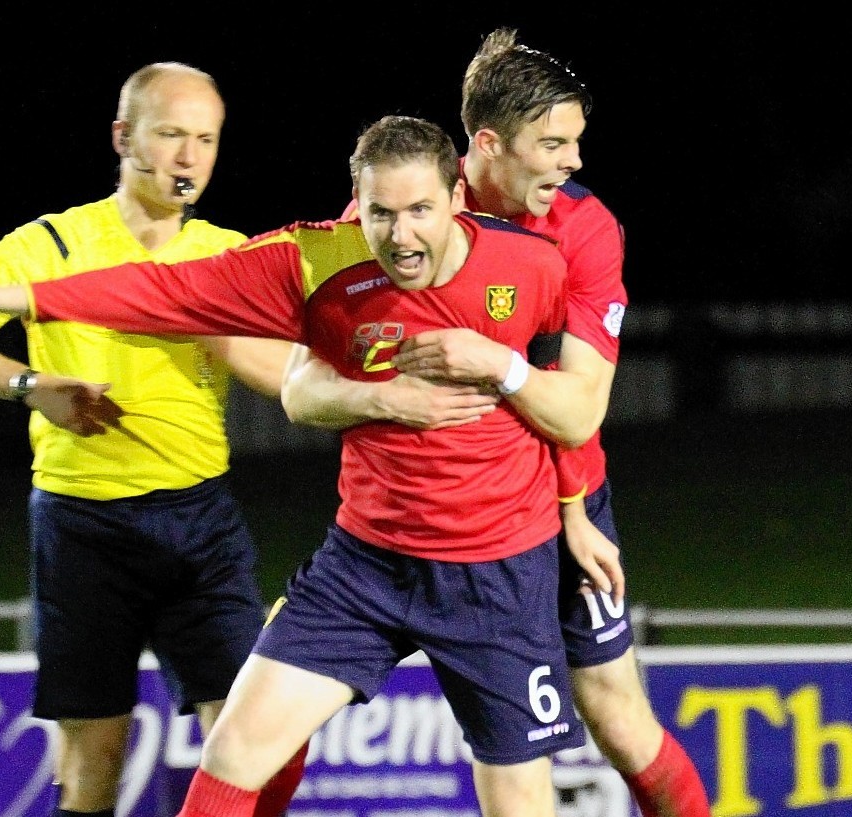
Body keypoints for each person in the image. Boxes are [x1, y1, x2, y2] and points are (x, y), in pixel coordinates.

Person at [0, 114, 619, 817]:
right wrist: (7, 297)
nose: (400, 236)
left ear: (455, 200)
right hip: (364, 567)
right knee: (235, 754)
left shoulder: (532, 266)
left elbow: (574, 409)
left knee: (519, 796)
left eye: (419, 212)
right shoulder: (311, 262)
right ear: (355, 205)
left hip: (495, 573)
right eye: (380, 213)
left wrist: (552, 466)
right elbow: (165, 290)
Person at [280, 28, 711, 817]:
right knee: (272, 713)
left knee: (616, 717)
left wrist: (573, 509)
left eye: (573, 142)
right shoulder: (394, 212)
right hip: (420, 531)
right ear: (487, 146)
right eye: (553, 143)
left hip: (556, 498)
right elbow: (325, 368)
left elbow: (577, 401)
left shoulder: (582, 229)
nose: (572, 161)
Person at [0, 62, 305, 817]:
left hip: (199, 525)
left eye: (207, 140)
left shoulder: (228, 253)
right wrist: (31, 385)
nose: (190, 157)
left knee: (250, 744)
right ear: (123, 137)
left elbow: (284, 374)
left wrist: (210, 318)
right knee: (94, 757)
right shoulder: (52, 242)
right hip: (81, 523)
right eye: (171, 135)